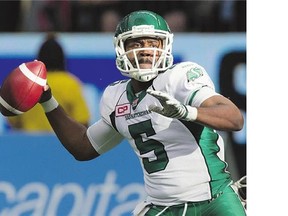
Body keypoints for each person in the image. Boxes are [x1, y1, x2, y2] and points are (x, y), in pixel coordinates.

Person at [39, 10, 246, 215]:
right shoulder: (116, 97)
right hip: (162, 207)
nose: (145, 50)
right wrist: (47, 100)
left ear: (165, 46)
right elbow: (84, 147)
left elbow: (234, 118)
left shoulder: (179, 79)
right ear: (121, 49)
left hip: (213, 201)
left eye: (152, 43)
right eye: (136, 44)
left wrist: (186, 112)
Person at [8, 33, 90, 131]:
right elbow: (83, 122)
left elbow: (13, 120)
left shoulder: (27, 84)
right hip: (61, 144)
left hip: (29, 144)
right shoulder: (70, 84)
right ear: (62, 59)